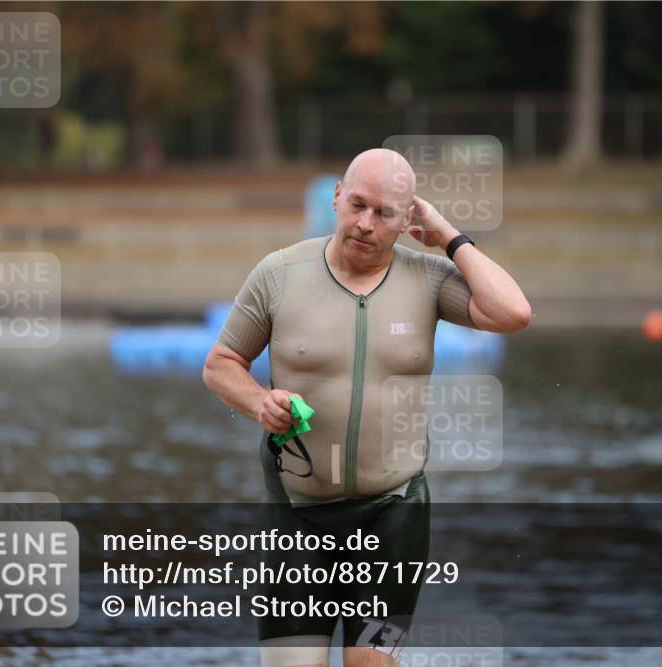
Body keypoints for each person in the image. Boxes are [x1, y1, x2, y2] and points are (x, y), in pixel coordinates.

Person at [202, 148, 531, 667]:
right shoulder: (278, 274)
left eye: (384, 213)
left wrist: (447, 234)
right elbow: (220, 363)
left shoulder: (426, 279)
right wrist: (260, 401)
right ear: (337, 196)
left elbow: (513, 312)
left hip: (395, 517)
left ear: (407, 220)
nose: (365, 223)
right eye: (357, 204)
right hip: (297, 515)